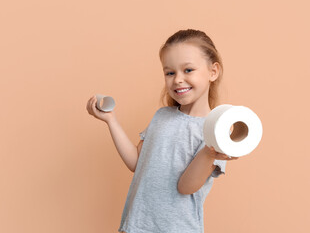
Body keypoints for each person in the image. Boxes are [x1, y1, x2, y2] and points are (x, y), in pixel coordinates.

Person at [86, 29, 238, 233]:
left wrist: (209, 152)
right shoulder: (162, 116)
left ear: (213, 71)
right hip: (137, 225)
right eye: (170, 72)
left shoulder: (215, 131)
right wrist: (110, 120)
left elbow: (186, 187)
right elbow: (137, 163)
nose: (178, 79)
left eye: (188, 70)